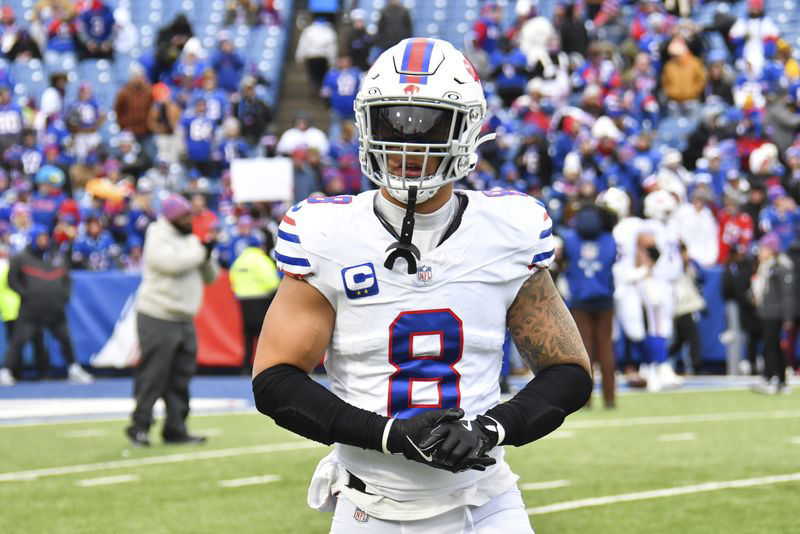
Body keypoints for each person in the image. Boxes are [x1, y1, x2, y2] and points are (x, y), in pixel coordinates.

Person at [252, 38, 592, 533]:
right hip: (372, 508)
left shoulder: (508, 230)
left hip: (486, 500)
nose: (407, 143)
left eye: (429, 122)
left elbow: (568, 371)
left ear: (468, 129)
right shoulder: (327, 235)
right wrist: (389, 434)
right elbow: (275, 381)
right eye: (392, 120)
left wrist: (490, 428)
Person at [126, 194, 218, 446]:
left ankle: (175, 428)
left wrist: (207, 253)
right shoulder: (157, 235)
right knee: (153, 374)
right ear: (172, 218)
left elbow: (211, 276)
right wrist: (201, 249)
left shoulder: (190, 241)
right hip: (158, 315)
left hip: (184, 318)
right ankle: (139, 425)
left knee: (181, 376)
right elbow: (171, 263)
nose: (190, 220)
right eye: (184, 216)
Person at [0, 225, 93, 386]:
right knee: (18, 340)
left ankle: (73, 368)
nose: (43, 241)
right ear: (33, 239)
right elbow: (11, 280)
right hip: (31, 308)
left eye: (45, 238)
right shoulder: (20, 258)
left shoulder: (57, 256)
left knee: (65, 339)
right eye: (40, 238)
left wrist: (63, 297)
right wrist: (26, 294)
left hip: (55, 309)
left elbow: (67, 279)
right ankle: (6, 371)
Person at [561, 203, 617, 408]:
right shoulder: (609, 239)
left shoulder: (570, 239)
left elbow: (562, 263)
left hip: (580, 299)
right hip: (605, 298)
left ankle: (586, 400)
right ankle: (610, 399)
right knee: (606, 348)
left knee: (585, 350)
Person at [750, 233, 794, 394]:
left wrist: (787, 317)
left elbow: (786, 294)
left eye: (764, 248)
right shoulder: (765, 266)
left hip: (774, 313)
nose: (761, 251)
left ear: (771, 249)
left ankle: (773, 378)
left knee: (772, 347)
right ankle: (777, 379)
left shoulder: (780, 267)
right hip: (766, 312)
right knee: (771, 346)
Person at [229, 239, 279, 375]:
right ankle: (266, 366)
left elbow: (232, 280)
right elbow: (272, 282)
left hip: (244, 302)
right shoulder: (261, 260)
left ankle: (245, 366)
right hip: (261, 301)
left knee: (248, 336)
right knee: (264, 336)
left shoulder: (239, 261)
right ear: (260, 246)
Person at [669, 242, 706, 374]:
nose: (686, 255)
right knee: (693, 339)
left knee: (680, 341)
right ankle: (696, 367)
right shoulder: (674, 268)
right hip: (682, 308)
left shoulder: (688, 267)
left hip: (687, 307)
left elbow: (700, 279)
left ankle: (659, 359)